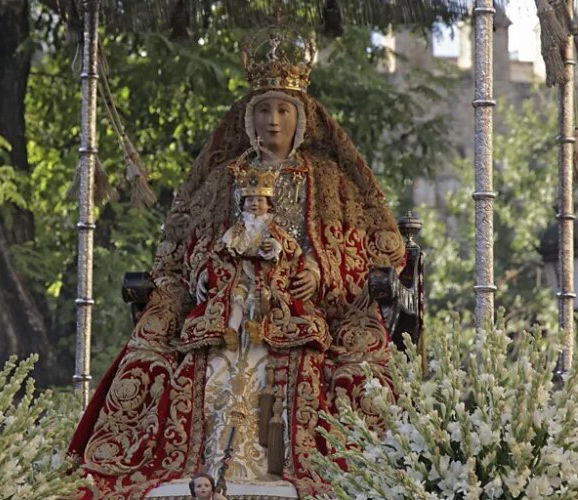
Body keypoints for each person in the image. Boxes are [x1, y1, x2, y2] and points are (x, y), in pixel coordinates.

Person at [69, 31, 404, 499]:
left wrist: (322, 270)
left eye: (283, 110)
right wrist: (207, 274)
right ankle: (207, 467)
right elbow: (190, 246)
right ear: (249, 119)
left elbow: (359, 247)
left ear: (300, 118)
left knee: (291, 366)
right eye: (264, 110)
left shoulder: (327, 180)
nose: (273, 121)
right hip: (226, 310)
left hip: (302, 314)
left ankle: (271, 464)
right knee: (204, 360)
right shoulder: (223, 180)